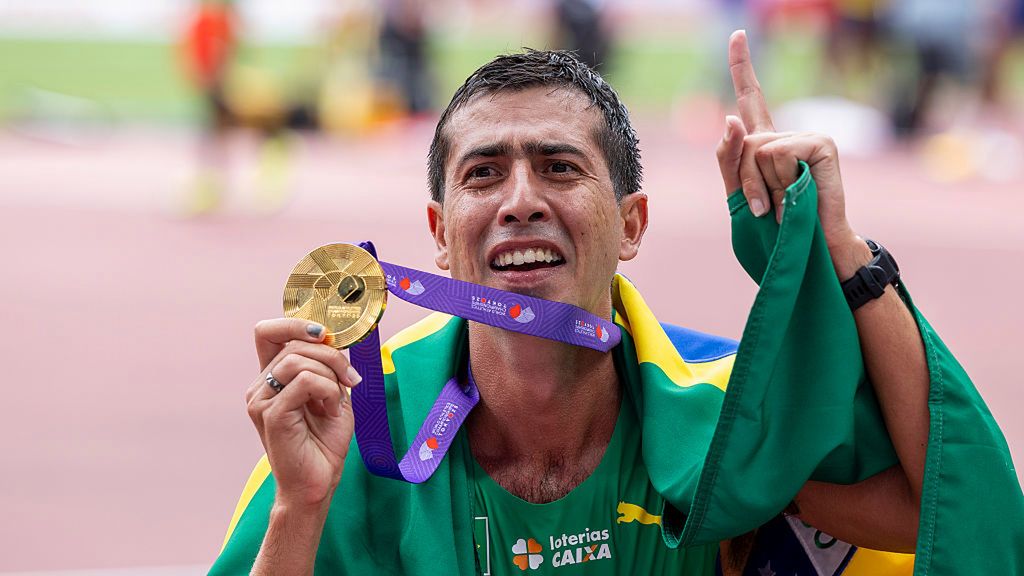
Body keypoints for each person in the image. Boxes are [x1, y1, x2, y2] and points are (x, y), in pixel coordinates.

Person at [210, 32, 1016, 575]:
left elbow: (958, 508)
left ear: (631, 223)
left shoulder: (711, 414)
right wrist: (300, 506)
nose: (519, 200)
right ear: (440, 236)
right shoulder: (359, 421)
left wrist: (840, 249)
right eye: (483, 173)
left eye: (559, 167)